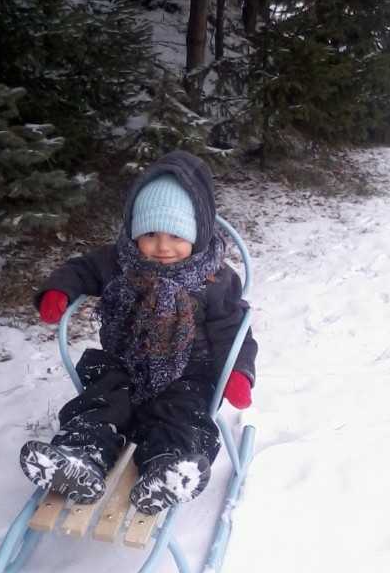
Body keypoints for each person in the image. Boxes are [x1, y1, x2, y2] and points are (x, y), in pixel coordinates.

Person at [19, 150, 258, 515]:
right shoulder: (119, 261)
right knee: (103, 399)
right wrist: (59, 291)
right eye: (150, 234)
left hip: (189, 373)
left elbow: (232, 328)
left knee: (184, 413)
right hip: (124, 363)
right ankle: (82, 455)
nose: (163, 246)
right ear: (134, 233)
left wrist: (237, 373)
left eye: (177, 235)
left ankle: (167, 466)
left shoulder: (215, 279)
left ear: (198, 232)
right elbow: (81, 269)